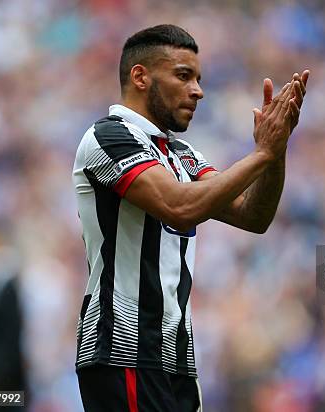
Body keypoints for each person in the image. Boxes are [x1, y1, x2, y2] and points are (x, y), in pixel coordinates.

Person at [72, 24, 308, 411]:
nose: (197, 90)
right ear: (140, 76)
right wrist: (261, 154)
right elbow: (181, 207)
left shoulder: (180, 153)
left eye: (198, 78)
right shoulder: (107, 137)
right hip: (122, 351)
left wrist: (276, 149)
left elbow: (254, 215)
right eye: (184, 75)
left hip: (175, 357)